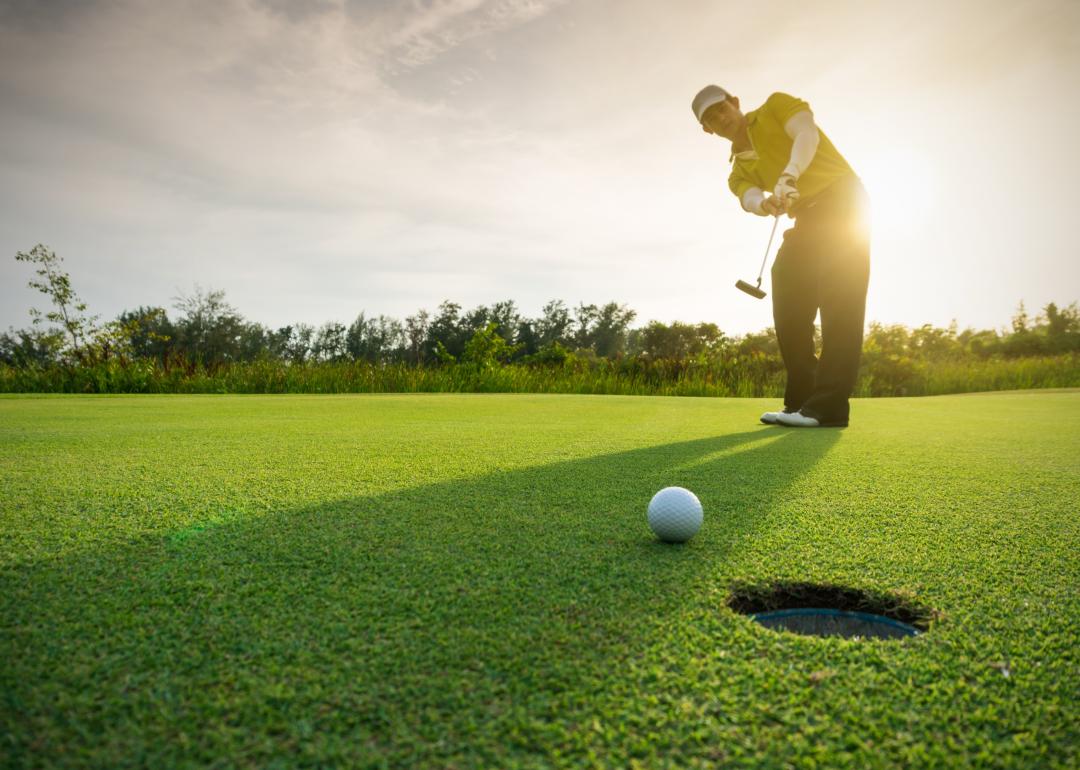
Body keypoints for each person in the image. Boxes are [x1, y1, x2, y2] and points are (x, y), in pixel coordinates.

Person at [692, 85, 870, 428]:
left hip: (844, 201)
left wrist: (789, 174)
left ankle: (830, 407)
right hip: (805, 217)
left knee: (840, 301)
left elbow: (806, 133)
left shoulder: (775, 105)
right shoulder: (737, 171)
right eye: (711, 118)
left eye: (721, 108)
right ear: (707, 130)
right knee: (787, 289)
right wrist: (766, 203)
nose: (720, 117)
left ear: (735, 103)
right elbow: (748, 197)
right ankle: (802, 400)